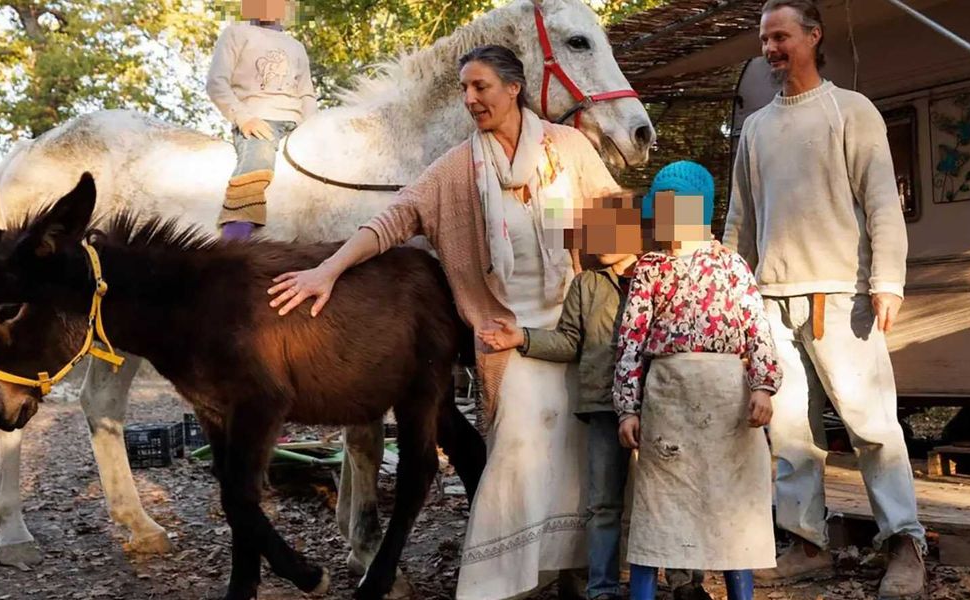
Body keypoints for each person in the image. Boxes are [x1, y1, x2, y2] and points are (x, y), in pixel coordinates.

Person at [266, 44, 621, 600]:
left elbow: (613, 219)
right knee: (519, 446)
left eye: (480, 86)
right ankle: (508, 580)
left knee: (575, 451)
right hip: (505, 331)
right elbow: (393, 219)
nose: (470, 99)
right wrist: (327, 271)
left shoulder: (567, 147)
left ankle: (568, 569)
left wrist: (662, 282)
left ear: (513, 88)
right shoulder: (459, 168)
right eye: (464, 89)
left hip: (574, 324)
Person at [723, 1, 926, 597]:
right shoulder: (756, 128)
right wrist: (735, 294)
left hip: (842, 296)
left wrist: (888, 280)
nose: (771, 49)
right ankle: (808, 542)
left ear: (813, 36)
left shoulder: (850, 111)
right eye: (765, 40)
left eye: (781, 36)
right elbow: (740, 221)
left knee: (871, 426)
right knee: (789, 432)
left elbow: (883, 203)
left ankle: (905, 544)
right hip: (771, 301)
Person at [477, 191, 709, 600]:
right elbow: (570, 342)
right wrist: (522, 338)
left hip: (661, 402)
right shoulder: (586, 285)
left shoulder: (663, 275)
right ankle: (603, 588)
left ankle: (684, 582)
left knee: (671, 494)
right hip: (604, 405)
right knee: (603, 503)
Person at [615, 160, 779, 600]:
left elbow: (756, 328)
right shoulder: (650, 268)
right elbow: (631, 339)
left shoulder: (732, 266)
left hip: (727, 401)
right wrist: (627, 408)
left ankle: (739, 593)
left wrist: (763, 385)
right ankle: (645, 592)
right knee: (659, 504)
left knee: (730, 501)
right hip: (668, 398)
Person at [206, 0, 318, 239]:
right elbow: (217, 83)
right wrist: (244, 118)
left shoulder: (295, 46)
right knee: (258, 161)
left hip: (296, 125)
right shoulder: (236, 34)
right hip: (259, 122)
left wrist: (311, 129)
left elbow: (306, 93)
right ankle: (233, 241)